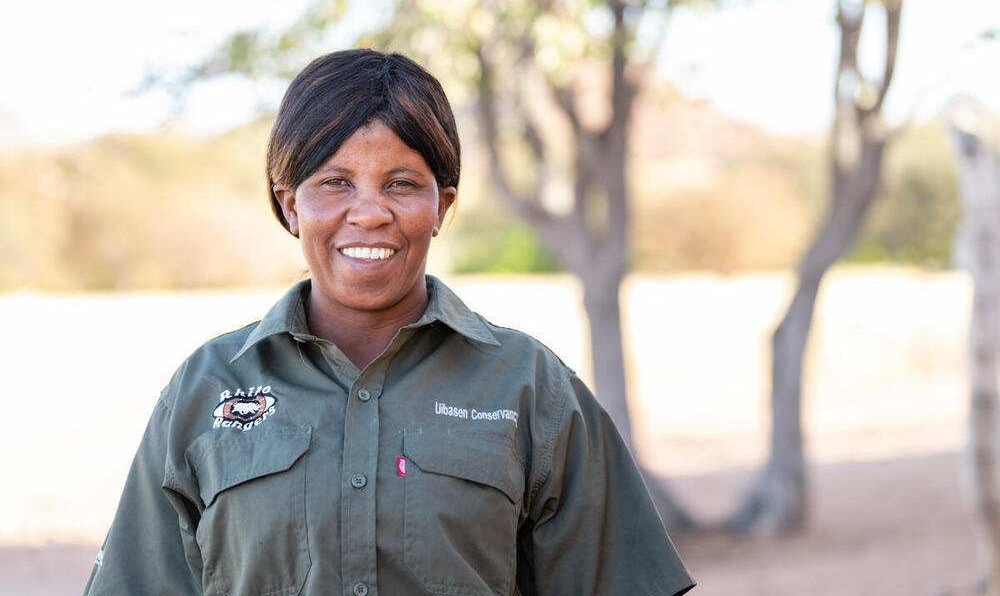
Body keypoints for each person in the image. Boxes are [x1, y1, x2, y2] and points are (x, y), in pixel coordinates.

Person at [82, 48, 695, 596]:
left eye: (401, 183)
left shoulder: (531, 388)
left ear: (441, 205)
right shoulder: (204, 389)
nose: (369, 213)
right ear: (290, 204)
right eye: (334, 182)